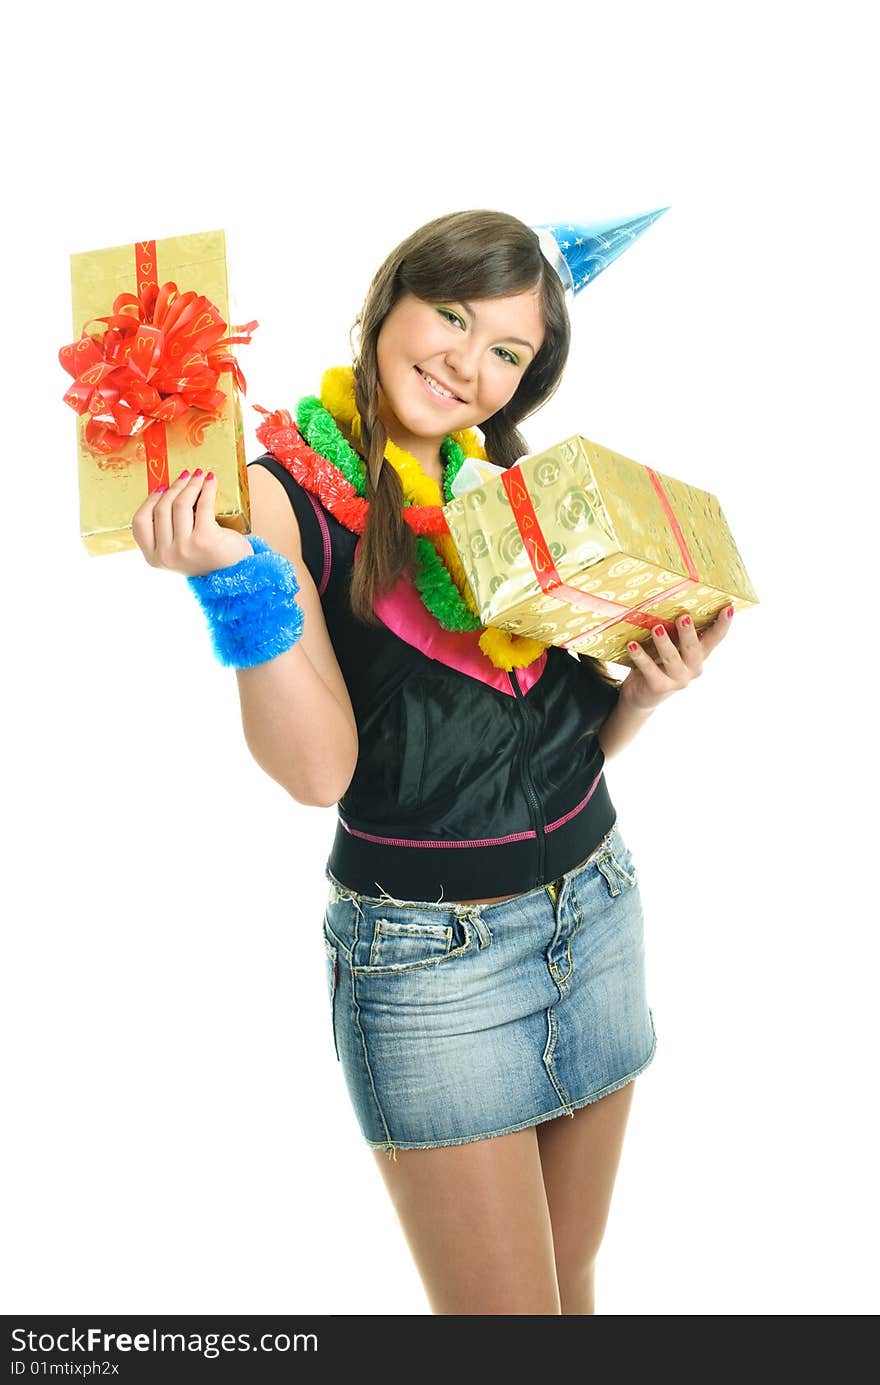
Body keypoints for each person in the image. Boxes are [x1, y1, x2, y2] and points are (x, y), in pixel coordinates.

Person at [131, 208, 733, 1315]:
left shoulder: (502, 487)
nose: (465, 363)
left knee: (574, 1280)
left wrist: (641, 694)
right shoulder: (274, 497)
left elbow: (555, 737)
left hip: (595, 908)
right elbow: (317, 772)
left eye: (506, 350)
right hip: (430, 960)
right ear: (388, 301)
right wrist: (236, 584)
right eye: (450, 316)